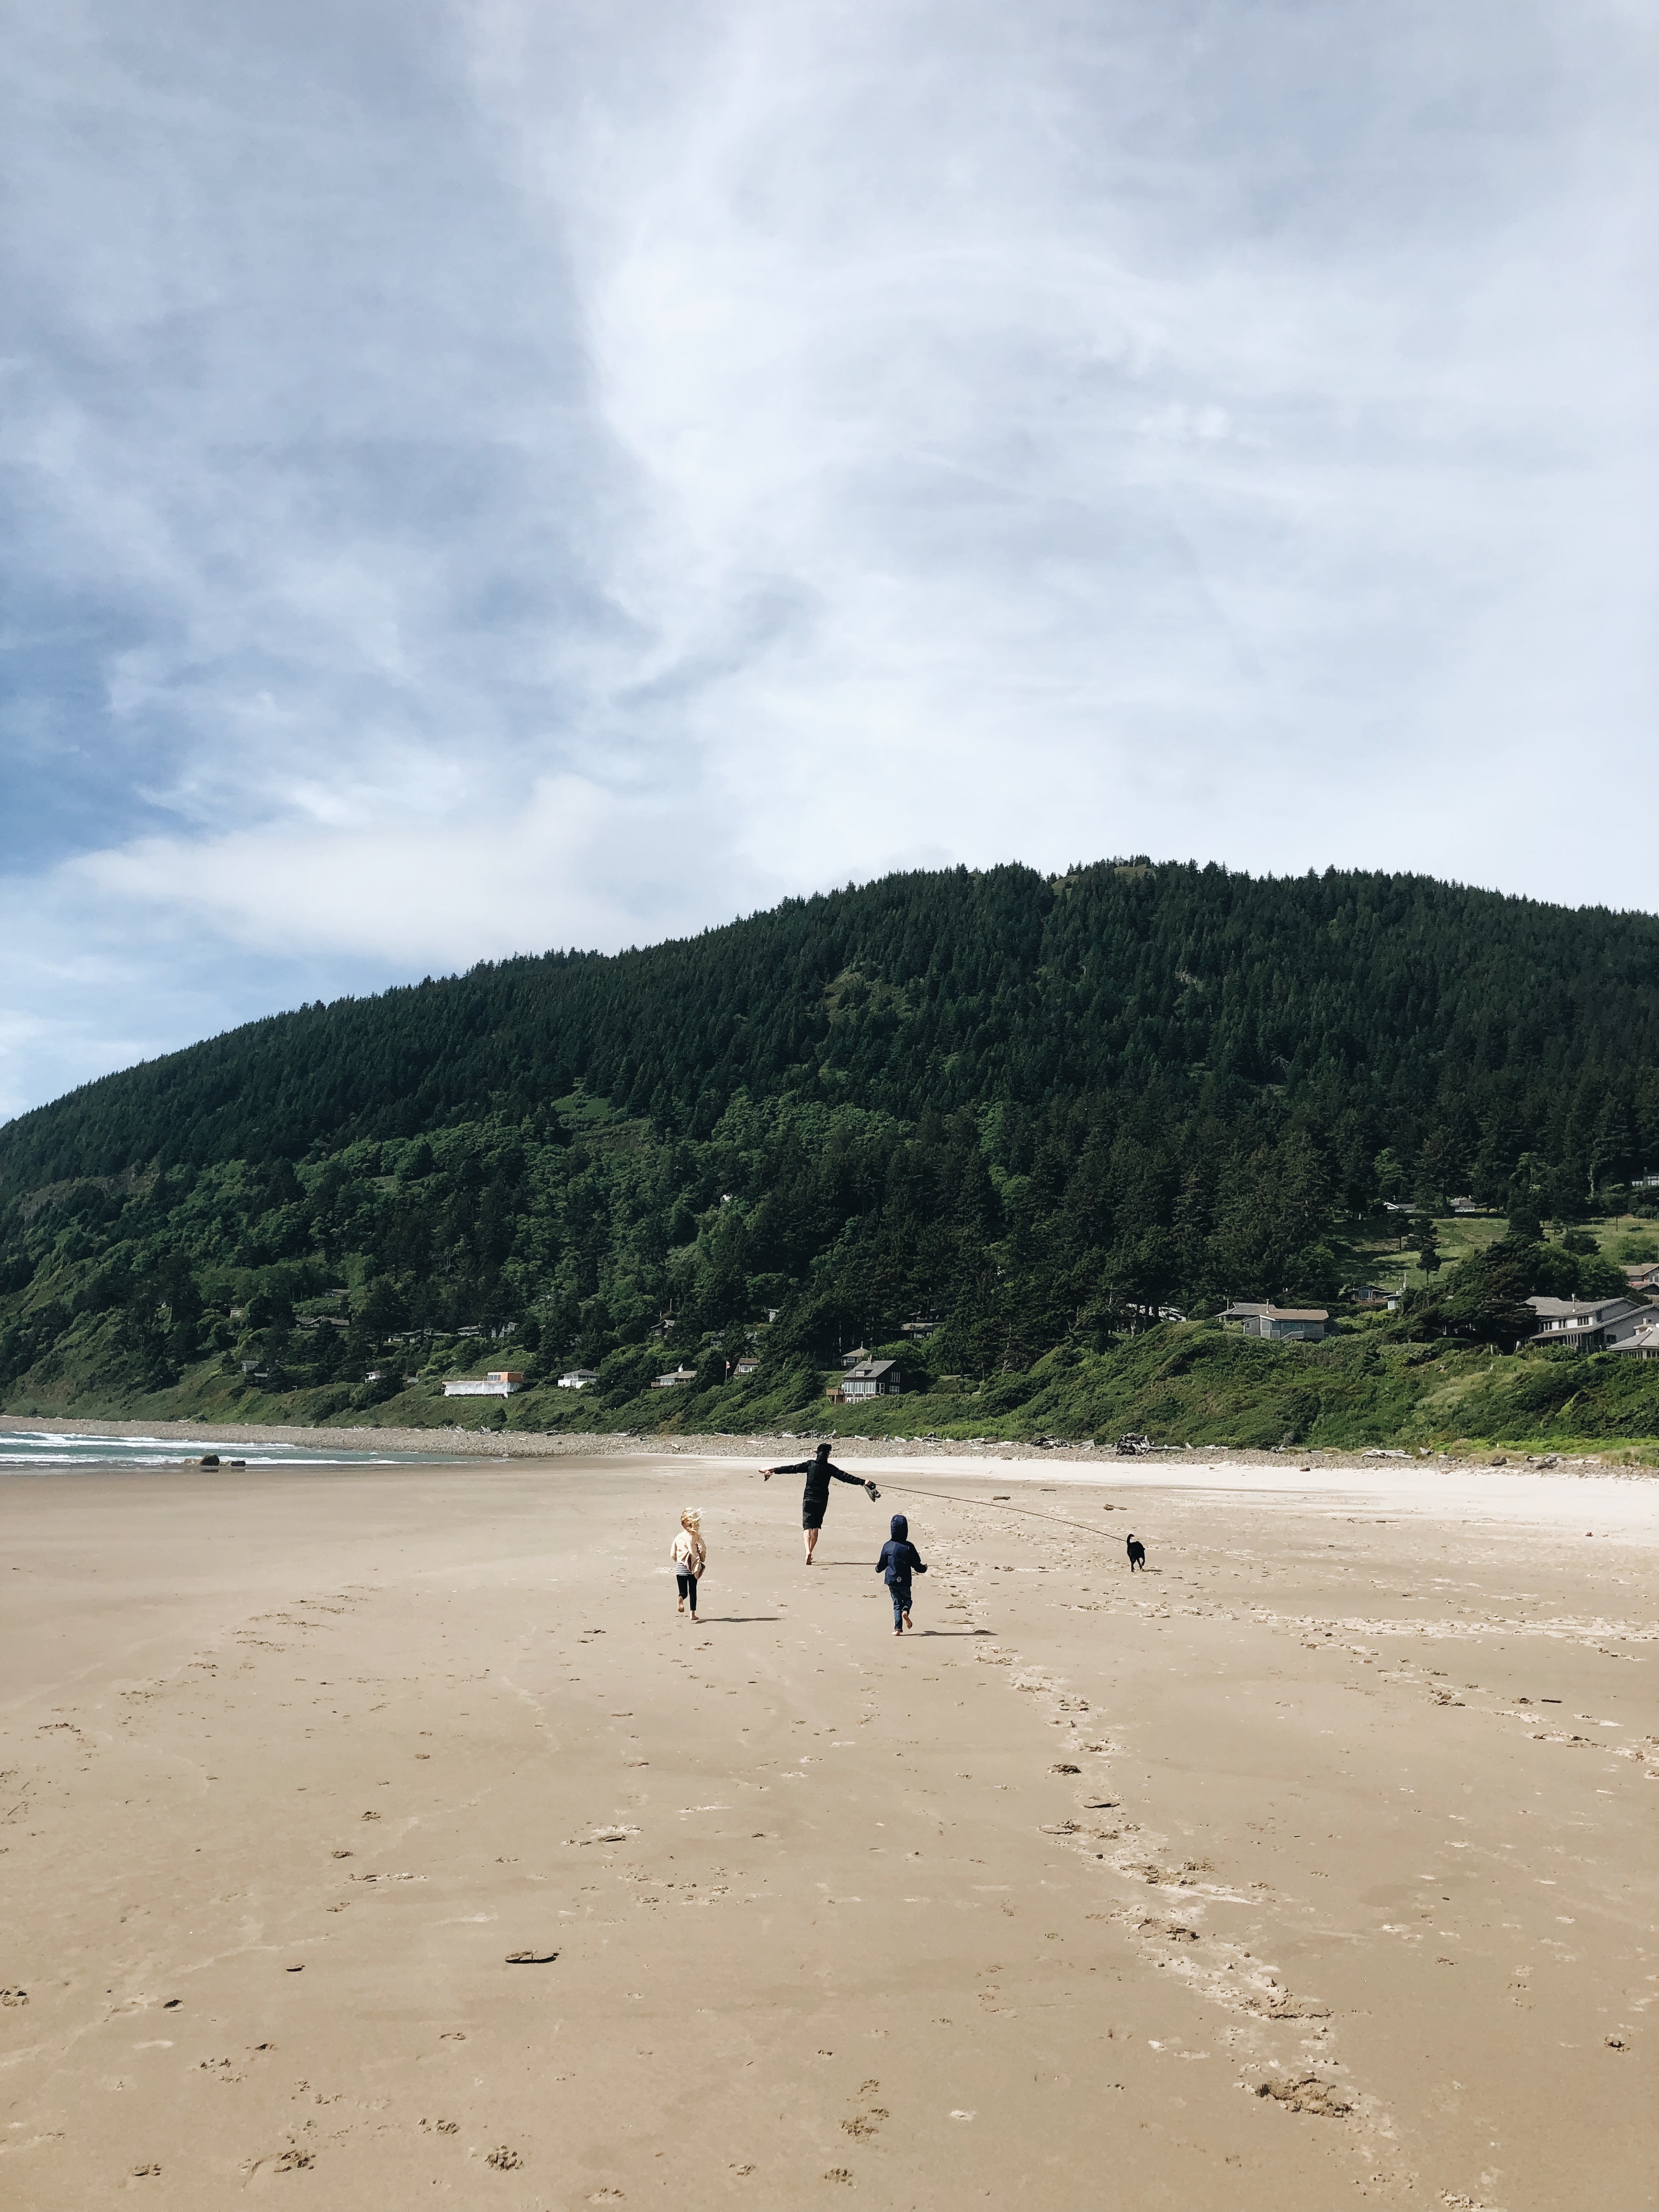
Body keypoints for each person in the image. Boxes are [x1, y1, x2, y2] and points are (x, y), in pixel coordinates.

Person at [763, 1441, 880, 1562]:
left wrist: (774, 1470)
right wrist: (864, 1482)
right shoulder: (830, 1469)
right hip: (821, 1501)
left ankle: (807, 1551)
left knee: (807, 1527)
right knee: (816, 1528)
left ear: (817, 1454)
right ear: (828, 1455)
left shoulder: (810, 1465)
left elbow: (792, 1469)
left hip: (808, 1499)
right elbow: (846, 1477)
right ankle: (811, 1552)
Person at [875, 1512, 928, 1635]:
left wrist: (878, 1569)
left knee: (897, 1603)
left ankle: (898, 1628)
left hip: (891, 1580)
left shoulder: (887, 1546)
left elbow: (882, 1563)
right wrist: (923, 1569)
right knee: (907, 1600)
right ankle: (906, 1611)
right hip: (905, 1580)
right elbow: (916, 1564)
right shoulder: (909, 1547)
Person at [672, 1508, 706, 1617]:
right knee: (693, 1591)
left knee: (684, 1591)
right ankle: (693, 1614)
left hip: (680, 1567)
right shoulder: (696, 1536)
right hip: (693, 1566)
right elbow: (702, 1549)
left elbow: (672, 1553)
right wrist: (702, 1559)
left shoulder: (679, 1537)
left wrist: (678, 1561)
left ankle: (681, 1598)